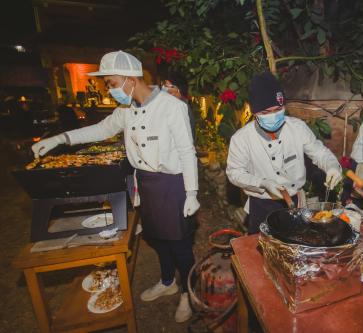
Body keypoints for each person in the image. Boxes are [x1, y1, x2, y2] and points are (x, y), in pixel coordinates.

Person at [31, 51, 199, 322]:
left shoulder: (172, 106)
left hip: (172, 184)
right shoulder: (126, 111)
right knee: (157, 239)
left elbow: (187, 151)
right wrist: (60, 138)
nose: (109, 90)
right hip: (145, 182)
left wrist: (191, 192)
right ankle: (168, 282)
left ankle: (189, 294)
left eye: (110, 82)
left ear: (130, 79)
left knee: (180, 244)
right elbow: (99, 130)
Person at [226, 72, 343, 234]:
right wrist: (262, 183)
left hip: (295, 200)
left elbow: (320, 153)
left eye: (278, 109)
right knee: (262, 249)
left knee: (296, 241)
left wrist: (332, 166)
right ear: (255, 113)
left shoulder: (297, 128)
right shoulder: (242, 139)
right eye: (266, 112)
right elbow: (234, 173)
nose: (274, 115)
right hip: (261, 204)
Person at [157, 68, 195, 140]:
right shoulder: (172, 105)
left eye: (168, 87)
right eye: (163, 85)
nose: (165, 89)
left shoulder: (181, 108)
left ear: (178, 90)